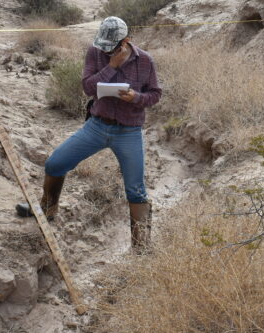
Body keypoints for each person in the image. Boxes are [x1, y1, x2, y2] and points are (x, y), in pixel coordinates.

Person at [16, 16, 162, 253]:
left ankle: (142, 249)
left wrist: (136, 97)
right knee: (55, 163)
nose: (106, 51)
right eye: (103, 47)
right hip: (97, 126)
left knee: (136, 190)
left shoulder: (145, 60)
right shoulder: (95, 52)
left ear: (125, 41)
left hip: (129, 131)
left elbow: (155, 95)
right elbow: (87, 87)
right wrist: (111, 66)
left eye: (111, 48)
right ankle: (48, 210)